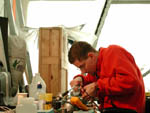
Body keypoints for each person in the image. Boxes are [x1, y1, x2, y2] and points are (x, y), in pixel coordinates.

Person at [68, 41, 145, 113]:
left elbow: (131, 81)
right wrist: (79, 79)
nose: (83, 71)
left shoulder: (113, 52)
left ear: (91, 56)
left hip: (127, 109)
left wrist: (97, 86)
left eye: (83, 66)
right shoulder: (96, 69)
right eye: (79, 68)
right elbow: (89, 81)